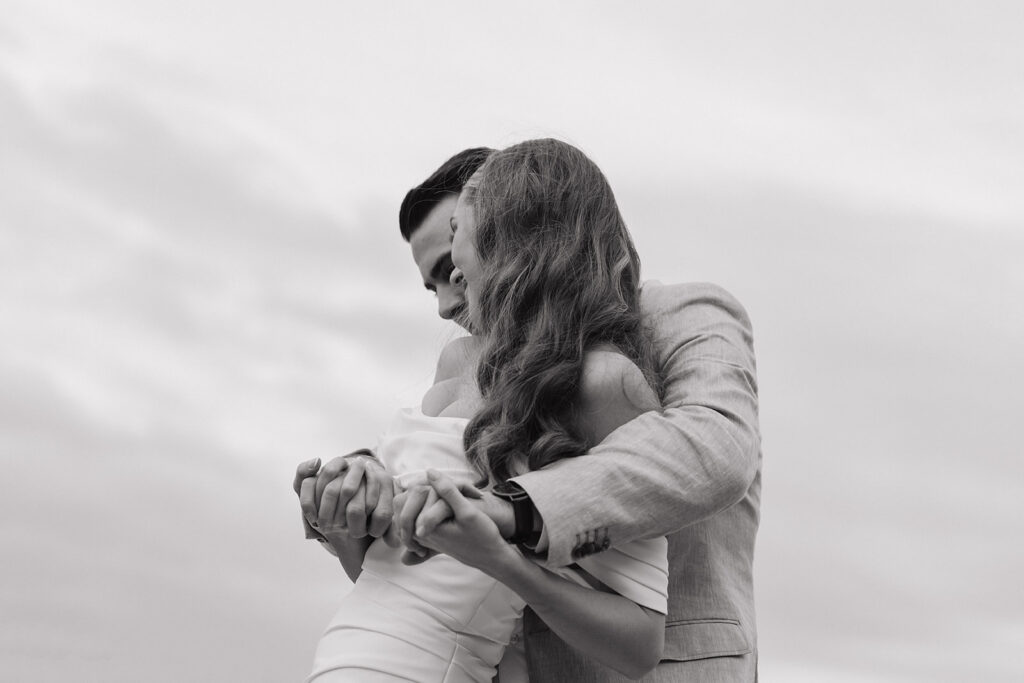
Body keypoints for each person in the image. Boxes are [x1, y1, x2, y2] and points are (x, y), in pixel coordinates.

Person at [298, 142, 762, 681]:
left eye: (451, 259)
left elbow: (717, 446)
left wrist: (512, 511)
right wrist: (356, 500)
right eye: (431, 285)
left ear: (516, 216)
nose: (447, 303)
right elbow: (431, 575)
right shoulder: (468, 365)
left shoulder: (679, 316)